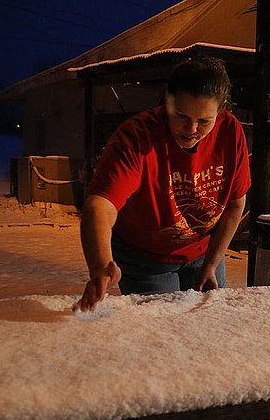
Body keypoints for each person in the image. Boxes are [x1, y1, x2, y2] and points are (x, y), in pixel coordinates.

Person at [74, 58, 250, 312]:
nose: (191, 129)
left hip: (203, 251)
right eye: (181, 116)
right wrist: (101, 266)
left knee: (205, 325)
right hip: (145, 257)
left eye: (204, 121)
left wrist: (211, 264)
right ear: (167, 101)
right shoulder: (136, 138)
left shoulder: (230, 132)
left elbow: (235, 204)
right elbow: (100, 205)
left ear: (220, 112)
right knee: (162, 330)